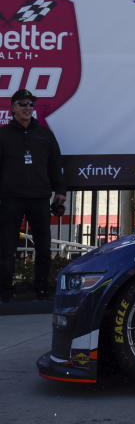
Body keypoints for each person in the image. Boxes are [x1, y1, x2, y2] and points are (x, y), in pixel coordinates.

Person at [0, 89, 66, 301]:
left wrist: (60, 192)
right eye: (23, 104)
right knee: (7, 247)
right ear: (13, 108)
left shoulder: (44, 134)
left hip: (39, 197)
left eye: (31, 104)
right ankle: (5, 291)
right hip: (11, 199)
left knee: (44, 247)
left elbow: (55, 164)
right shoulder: (3, 134)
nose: (28, 108)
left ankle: (42, 288)